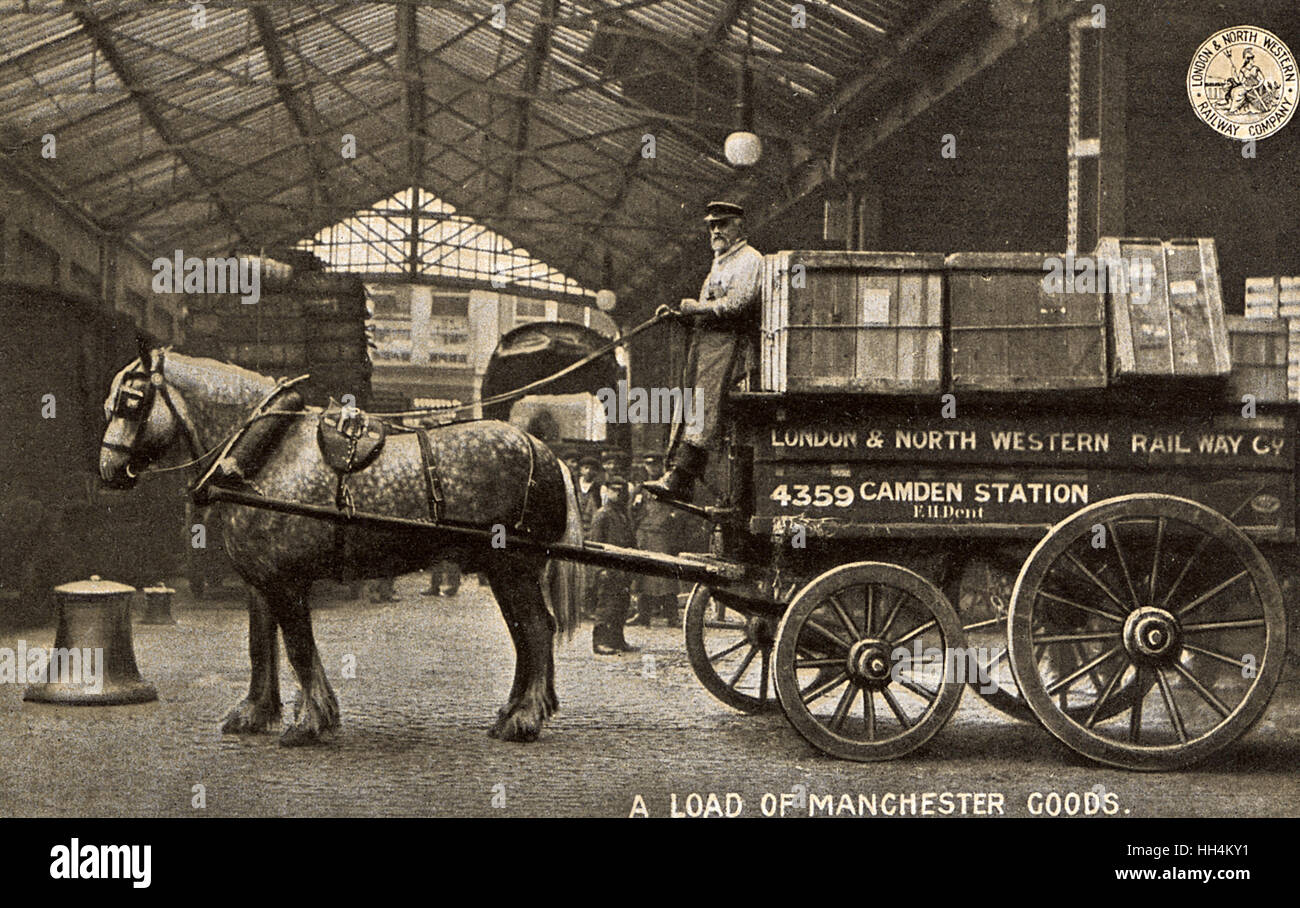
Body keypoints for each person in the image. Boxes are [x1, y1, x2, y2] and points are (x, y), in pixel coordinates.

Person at [644, 200, 763, 503]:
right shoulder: (720, 262)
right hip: (707, 346)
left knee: (704, 409)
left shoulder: (750, 260)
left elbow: (738, 304)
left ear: (740, 225)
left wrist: (695, 307)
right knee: (691, 407)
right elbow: (709, 309)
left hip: (729, 348)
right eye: (712, 225)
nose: (716, 230)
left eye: (723, 223)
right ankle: (679, 477)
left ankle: (681, 477)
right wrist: (678, 315)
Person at [631, 452, 683, 626]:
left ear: (661, 466)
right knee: (643, 575)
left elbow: (679, 510)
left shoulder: (669, 486)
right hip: (644, 535)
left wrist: (671, 526)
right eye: (648, 465)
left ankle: (672, 615)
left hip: (662, 536)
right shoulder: (641, 488)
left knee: (665, 576)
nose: (651, 468)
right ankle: (643, 614)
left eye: (655, 464)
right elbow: (633, 510)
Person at [589, 476, 639, 654]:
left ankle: (618, 640)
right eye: (615, 490)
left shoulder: (623, 514)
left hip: (623, 569)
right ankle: (600, 642)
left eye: (622, 491)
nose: (618, 494)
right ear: (607, 492)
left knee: (621, 605)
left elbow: (631, 541)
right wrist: (600, 570)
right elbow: (595, 545)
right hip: (608, 569)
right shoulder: (602, 514)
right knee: (606, 606)